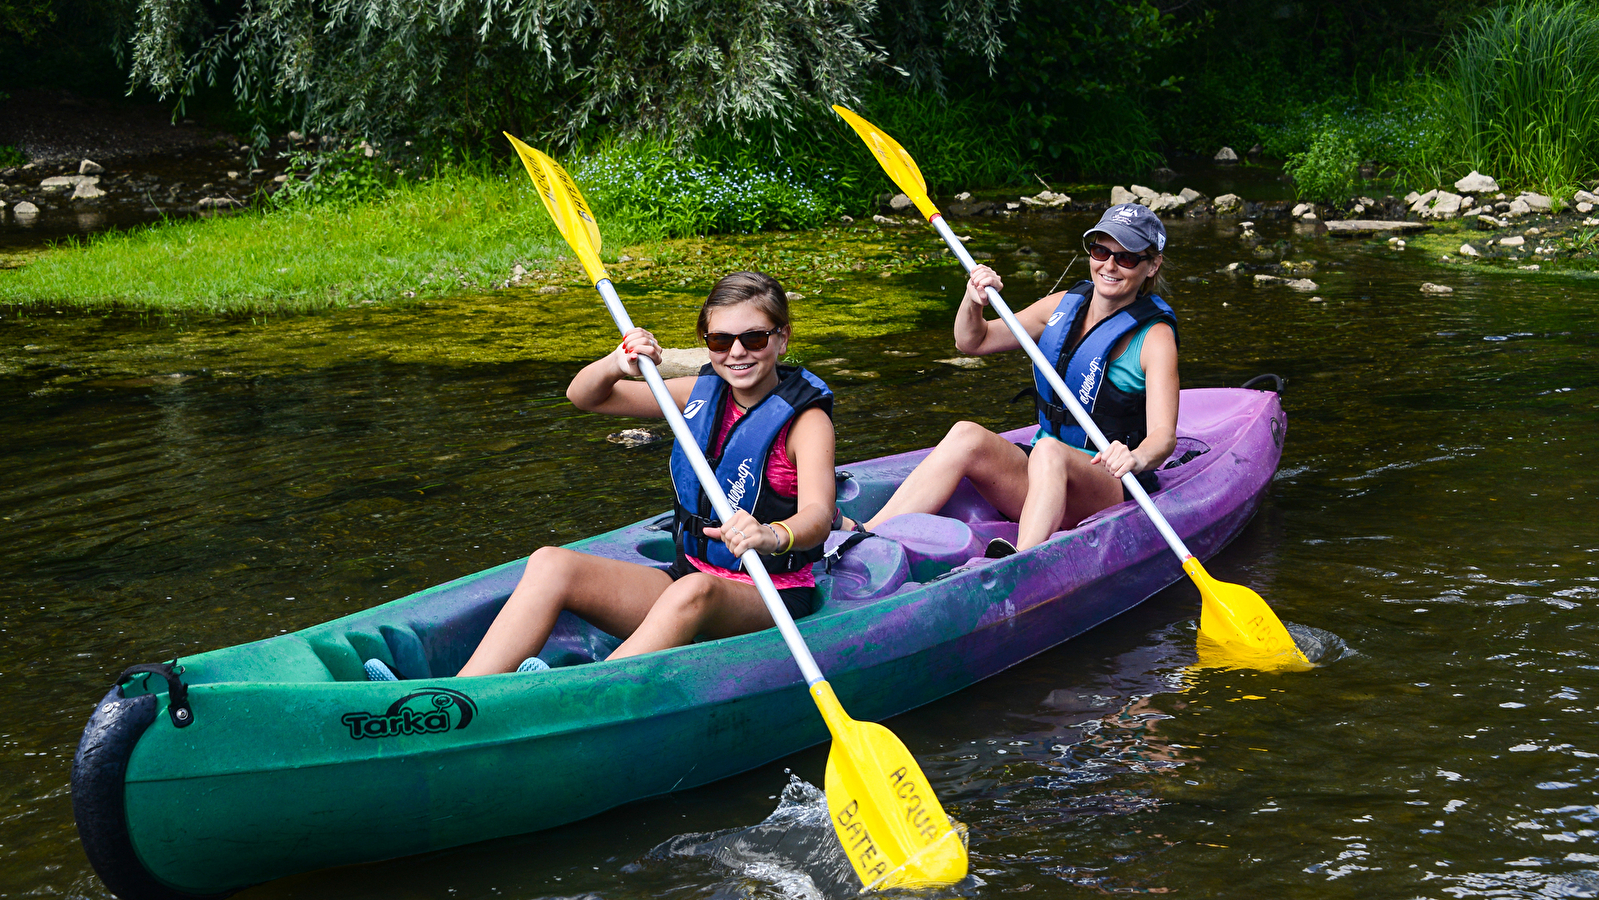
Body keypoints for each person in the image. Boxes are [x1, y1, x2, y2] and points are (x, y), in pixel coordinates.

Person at [365, 272, 836, 680]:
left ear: (782, 338)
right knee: (553, 562)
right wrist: (617, 363)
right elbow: (585, 397)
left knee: (695, 590)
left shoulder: (805, 421)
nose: (737, 353)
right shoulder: (698, 392)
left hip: (771, 594)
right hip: (689, 573)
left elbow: (818, 514)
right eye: (720, 340)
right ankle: (460, 694)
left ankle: (579, 693)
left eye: (753, 338)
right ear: (705, 342)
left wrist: (771, 535)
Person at [849, 203, 1179, 556]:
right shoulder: (1063, 307)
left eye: (1126, 258)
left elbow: (1163, 436)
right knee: (966, 434)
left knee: (1050, 450)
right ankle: (865, 535)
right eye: (1100, 250)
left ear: (1152, 265)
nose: (1109, 265)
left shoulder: (1155, 337)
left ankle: (1021, 560)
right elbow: (972, 341)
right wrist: (973, 300)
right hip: (1044, 476)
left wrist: (1136, 458)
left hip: (1107, 484)